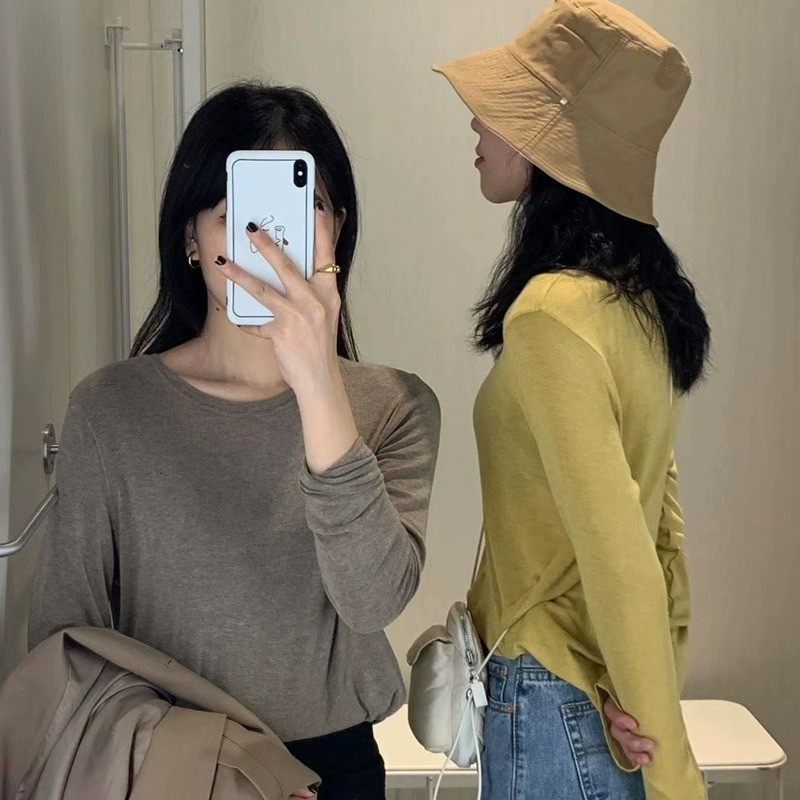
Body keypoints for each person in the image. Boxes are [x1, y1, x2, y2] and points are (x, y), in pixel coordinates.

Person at [27, 82, 441, 800]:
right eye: (234, 216)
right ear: (191, 239)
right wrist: (208, 764)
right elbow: (67, 644)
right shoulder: (111, 411)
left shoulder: (396, 407)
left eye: (299, 210)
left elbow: (373, 600)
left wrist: (317, 383)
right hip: (166, 768)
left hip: (333, 772)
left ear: (336, 230)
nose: (263, 242)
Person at [432, 1, 710, 799]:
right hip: (591, 705)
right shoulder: (642, 305)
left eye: (500, 107)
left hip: (547, 701)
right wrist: (648, 698)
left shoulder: (551, 314)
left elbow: (620, 548)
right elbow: (660, 528)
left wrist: (673, 770)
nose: (476, 122)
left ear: (547, 134)